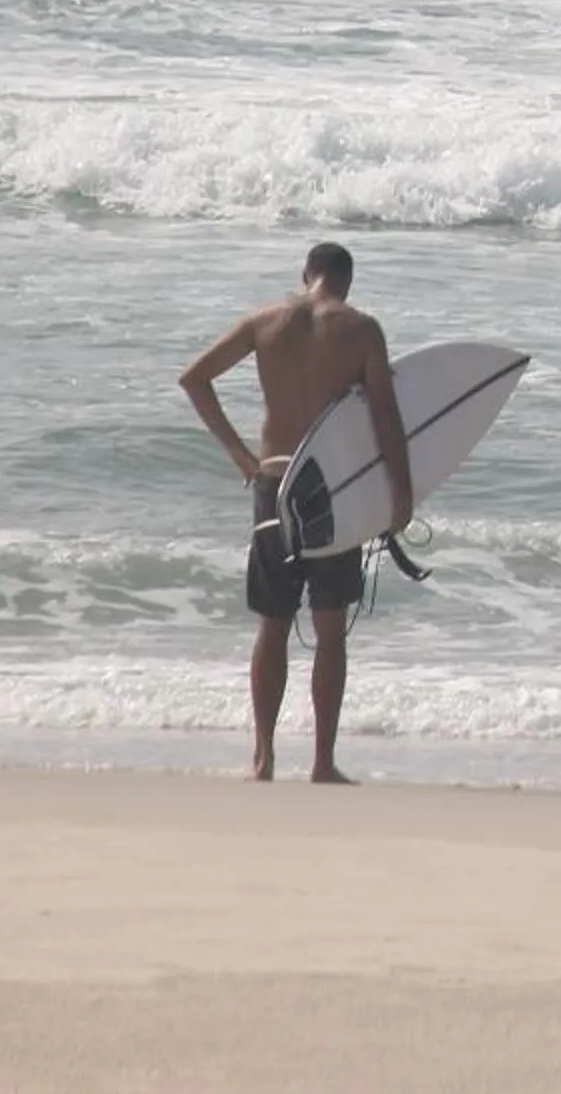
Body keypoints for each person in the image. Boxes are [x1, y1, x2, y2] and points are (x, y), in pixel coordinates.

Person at [179, 241, 411, 784]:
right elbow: (386, 416)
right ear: (346, 282)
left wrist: (241, 456)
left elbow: (194, 378)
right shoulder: (360, 330)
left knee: (273, 625)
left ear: (306, 274)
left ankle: (263, 757)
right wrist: (400, 495)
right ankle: (324, 763)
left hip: (272, 482)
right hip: (330, 488)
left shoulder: (266, 321)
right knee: (331, 630)